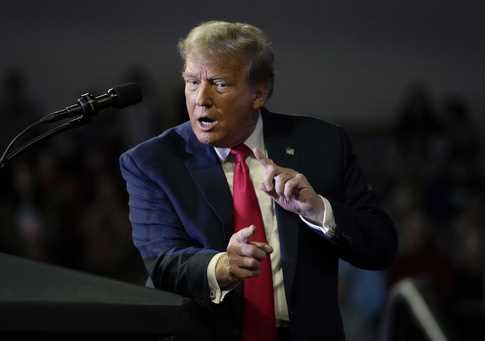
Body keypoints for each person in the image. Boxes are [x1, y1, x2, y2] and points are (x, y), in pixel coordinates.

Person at [119, 20, 397, 341]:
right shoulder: (153, 162)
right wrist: (221, 266)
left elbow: (381, 245)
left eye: (220, 84)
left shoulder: (322, 145)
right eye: (192, 82)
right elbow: (162, 262)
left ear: (259, 93)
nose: (201, 98)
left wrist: (318, 209)